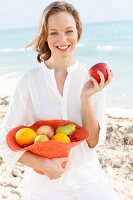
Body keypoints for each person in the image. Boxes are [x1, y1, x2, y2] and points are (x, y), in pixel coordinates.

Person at [0, 1, 117, 199]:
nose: (62, 39)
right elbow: (6, 143)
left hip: (89, 184)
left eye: (69, 31)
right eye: (53, 32)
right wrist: (44, 165)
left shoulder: (93, 80)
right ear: (45, 35)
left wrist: (85, 98)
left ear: (78, 32)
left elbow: (93, 142)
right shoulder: (29, 81)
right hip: (42, 188)